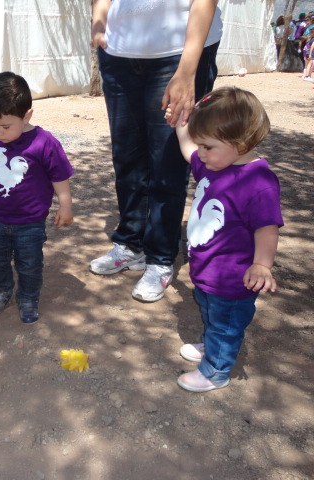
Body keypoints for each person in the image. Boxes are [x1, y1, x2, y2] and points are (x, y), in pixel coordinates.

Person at [89, 0, 222, 303]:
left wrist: (188, 70)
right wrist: (98, 22)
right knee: (127, 156)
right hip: (118, 54)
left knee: (168, 160)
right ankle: (131, 243)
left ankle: (160, 258)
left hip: (178, 54)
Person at [170, 87, 283, 392]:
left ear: (241, 143)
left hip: (234, 279)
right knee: (209, 311)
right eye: (201, 145)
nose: (201, 153)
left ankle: (215, 371)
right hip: (208, 269)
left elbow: (267, 228)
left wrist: (262, 264)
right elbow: (187, 149)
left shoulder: (258, 182)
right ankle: (211, 345)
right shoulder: (214, 163)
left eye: (207, 146)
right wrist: (182, 122)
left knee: (226, 324)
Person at [0, 72, 74, 324]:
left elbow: (59, 176)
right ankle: (2, 289)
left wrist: (65, 204)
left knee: (29, 263)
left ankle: (28, 296)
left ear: (27, 115)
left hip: (30, 222)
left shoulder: (44, 142)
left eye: (5, 126)